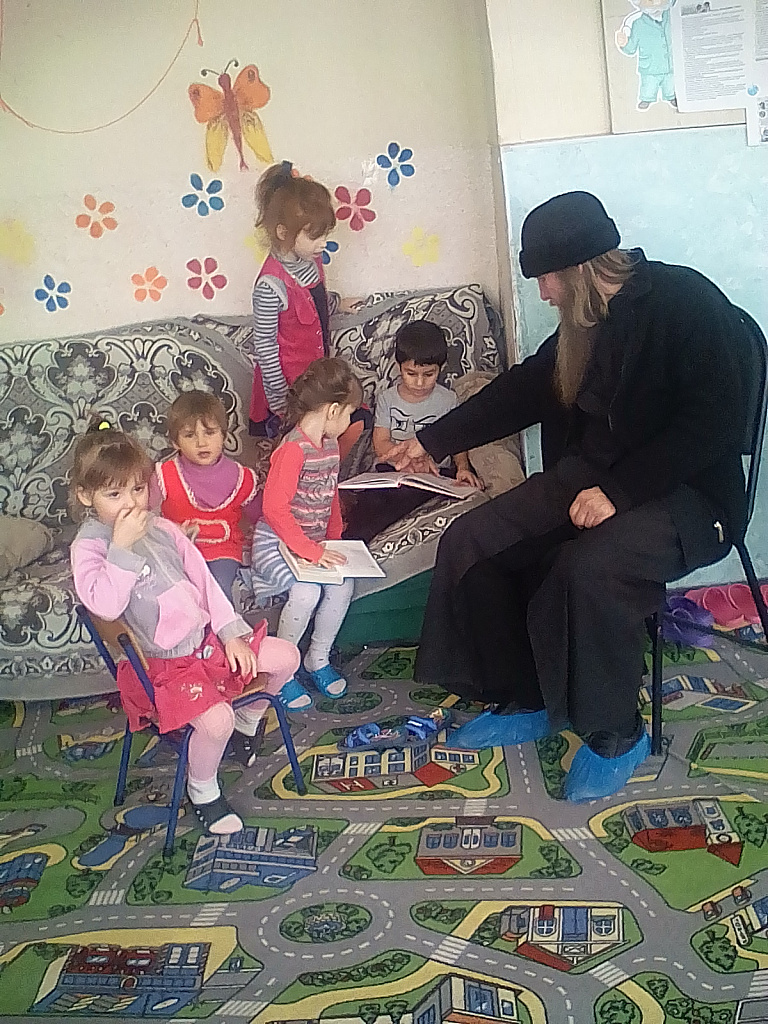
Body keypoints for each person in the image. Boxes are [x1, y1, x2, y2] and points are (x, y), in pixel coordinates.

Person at [390, 191, 751, 802]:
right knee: (475, 539)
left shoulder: (685, 301)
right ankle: (528, 695)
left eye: (548, 278)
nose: (543, 294)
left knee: (589, 567)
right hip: (597, 478)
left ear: (582, 268)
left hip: (692, 498)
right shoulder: (587, 324)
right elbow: (528, 388)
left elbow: (716, 424)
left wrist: (619, 492)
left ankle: (616, 734)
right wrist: (432, 440)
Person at [70, 422, 301, 834]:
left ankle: (248, 724)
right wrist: (121, 548)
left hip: (206, 645)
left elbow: (206, 584)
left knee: (286, 657)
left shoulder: (161, 528)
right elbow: (104, 605)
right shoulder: (89, 546)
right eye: (114, 494)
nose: (130, 503)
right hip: (162, 667)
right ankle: (203, 788)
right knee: (216, 722)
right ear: (86, 496)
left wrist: (231, 633)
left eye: (137, 489)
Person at [249, 357, 363, 710]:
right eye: (349, 414)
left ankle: (317, 658)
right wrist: (311, 551)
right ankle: (282, 672)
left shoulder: (329, 446)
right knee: (306, 591)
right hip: (275, 543)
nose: (349, 422)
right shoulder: (292, 450)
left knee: (344, 584)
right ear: (332, 410)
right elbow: (274, 511)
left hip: (310, 545)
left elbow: (329, 495)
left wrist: (333, 540)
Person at [248, 161, 368, 458]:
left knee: (356, 419)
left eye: (325, 234)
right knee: (298, 451)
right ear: (282, 232)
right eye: (315, 236)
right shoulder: (270, 285)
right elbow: (265, 346)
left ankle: (329, 469)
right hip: (292, 390)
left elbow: (315, 303)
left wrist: (337, 303)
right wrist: (281, 402)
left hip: (318, 380)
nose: (323, 244)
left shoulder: (311, 261)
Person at [344, 319, 481, 543]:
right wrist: (405, 461)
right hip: (394, 471)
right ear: (398, 366)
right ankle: (354, 543)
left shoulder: (448, 399)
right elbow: (381, 443)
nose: (419, 382)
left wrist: (463, 468)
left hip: (435, 474)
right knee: (371, 503)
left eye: (428, 374)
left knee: (412, 499)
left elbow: (457, 440)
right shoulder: (387, 399)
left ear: (441, 368)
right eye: (411, 373)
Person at [150, 391, 260, 601]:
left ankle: (223, 624)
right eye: (190, 435)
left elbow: (263, 517)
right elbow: (144, 516)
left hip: (223, 551)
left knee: (218, 590)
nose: (201, 442)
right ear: (175, 442)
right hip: (177, 551)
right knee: (176, 594)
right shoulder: (165, 475)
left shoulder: (242, 477)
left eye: (209, 432)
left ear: (224, 435)